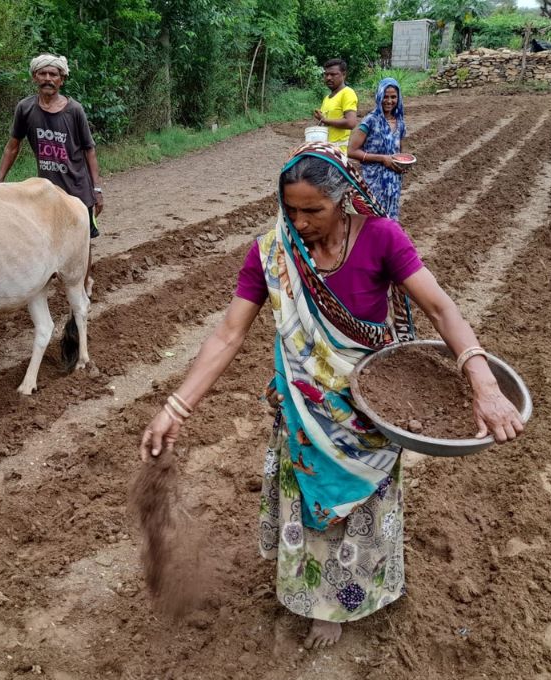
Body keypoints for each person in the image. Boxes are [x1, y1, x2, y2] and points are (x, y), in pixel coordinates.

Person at [138, 143, 524, 650]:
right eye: (290, 210)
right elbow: (228, 335)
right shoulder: (272, 253)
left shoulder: (381, 238)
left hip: (368, 409)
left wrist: (484, 382)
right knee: (312, 505)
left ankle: (348, 597)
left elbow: (440, 307)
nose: (299, 222)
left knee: (359, 507)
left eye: (313, 210)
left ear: (342, 200)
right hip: (303, 410)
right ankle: (316, 599)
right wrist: (175, 408)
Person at [0, 53, 103, 291]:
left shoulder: (74, 110)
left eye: (53, 74)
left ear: (61, 79)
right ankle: (46, 286)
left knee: (82, 244)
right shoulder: (25, 109)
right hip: (45, 194)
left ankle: (84, 288)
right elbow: (13, 146)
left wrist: (97, 190)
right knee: (45, 242)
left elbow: (89, 150)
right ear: (35, 77)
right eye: (42, 74)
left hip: (77, 190)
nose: (48, 78)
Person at [347, 78, 407, 220]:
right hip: (374, 183)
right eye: (385, 96)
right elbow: (351, 151)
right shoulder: (370, 120)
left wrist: (402, 165)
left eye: (393, 97)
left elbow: (398, 152)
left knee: (390, 220)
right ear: (379, 96)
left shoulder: (400, 123)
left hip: (393, 183)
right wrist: (382, 158)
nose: (389, 101)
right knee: (374, 219)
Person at [313, 59, 358, 152]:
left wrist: (324, 120)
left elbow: (351, 122)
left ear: (344, 75)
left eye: (333, 74)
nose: (328, 78)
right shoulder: (327, 98)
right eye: (326, 74)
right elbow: (326, 125)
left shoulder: (347, 93)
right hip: (326, 150)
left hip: (338, 153)